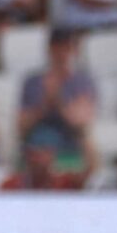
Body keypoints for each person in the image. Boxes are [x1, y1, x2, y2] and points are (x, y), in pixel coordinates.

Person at [18, 27, 96, 169]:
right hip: (38, 144)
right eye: (57, 47)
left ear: (74, 50)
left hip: (70, 145)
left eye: (66, 47)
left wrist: (58, 100)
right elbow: (22, 127)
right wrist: (44, 105)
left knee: (89, 147)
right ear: (49, 49)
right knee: (40, 145)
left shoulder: (82, 82)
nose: (61, 53)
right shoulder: (33, 81)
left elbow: (81, 125)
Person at [1, 125, 86, 191]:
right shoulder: (11, 185)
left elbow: (88, 175)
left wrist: (81, 132)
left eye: (44, 153)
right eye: (35, 154)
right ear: (27, 155)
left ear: (53, 155)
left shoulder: (65, 183)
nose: (39, 159)